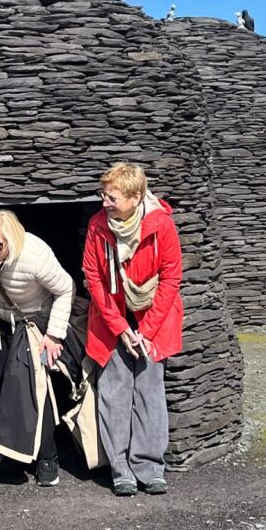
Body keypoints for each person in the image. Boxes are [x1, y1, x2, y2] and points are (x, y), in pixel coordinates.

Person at [82, 162, 183, 496]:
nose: (105, 203)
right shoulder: (98, 227)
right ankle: (121, 468)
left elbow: (171, 278)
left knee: (150, 391)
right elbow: (94, 278)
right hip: (113, 319)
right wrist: (122, 328)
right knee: (114, 392)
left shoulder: (162, 225)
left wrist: (147, 330)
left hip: (154, 319)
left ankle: (149, 466)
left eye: (112, 197)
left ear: (136, 196)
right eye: (104, 195)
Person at [0, 209, 75, 487]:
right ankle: (4, 450)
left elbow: (66, 288)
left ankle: (46, 456)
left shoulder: (35, 257)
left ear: (11, 243)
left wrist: (53, 335)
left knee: (34, 389)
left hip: (33, 323)